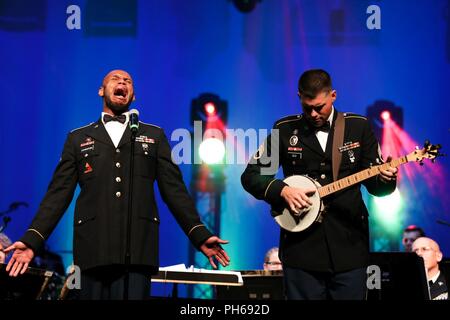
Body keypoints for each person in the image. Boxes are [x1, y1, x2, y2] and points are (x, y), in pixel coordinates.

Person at [4, 69, 230, 300]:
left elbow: (174, 191)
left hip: (138, 253)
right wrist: (32, 241)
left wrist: (199, 234)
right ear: (102, 91)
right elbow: (57, 194)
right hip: (91, 251)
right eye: (115, 79)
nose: (122, 82)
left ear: (132, 96)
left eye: (128, 81)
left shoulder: (154, 135)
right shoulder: (78, 138)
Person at [241, 69, 398, 300]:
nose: (313, 114)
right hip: (301, 250)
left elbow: (377, 187)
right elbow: (251, 176)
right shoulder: (284, 130)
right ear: (299, 97)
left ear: (333, 96)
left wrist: (387, 178)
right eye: (307, 108)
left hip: (349, 249)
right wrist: (282, 190)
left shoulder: (358, 127)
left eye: (320, 107)